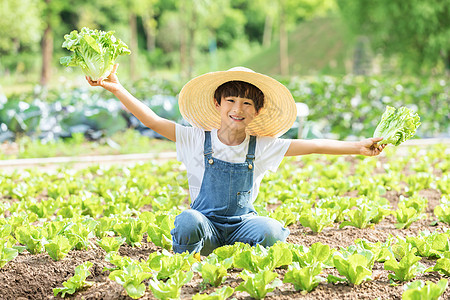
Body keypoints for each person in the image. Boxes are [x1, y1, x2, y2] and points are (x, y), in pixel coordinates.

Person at [87, 65, 386, 256]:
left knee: (269, 229)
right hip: (207, 224)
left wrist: (358, 147)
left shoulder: (263, 146)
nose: (237, 108)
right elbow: (151, 120)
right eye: (230, 101)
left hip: (242, 226)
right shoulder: (195, 139)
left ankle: (235, 254)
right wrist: (117, 87)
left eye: (246, 103)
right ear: (218, 105)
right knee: (188, 220)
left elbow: (314, 145)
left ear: (255, 112)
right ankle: (196, 255)